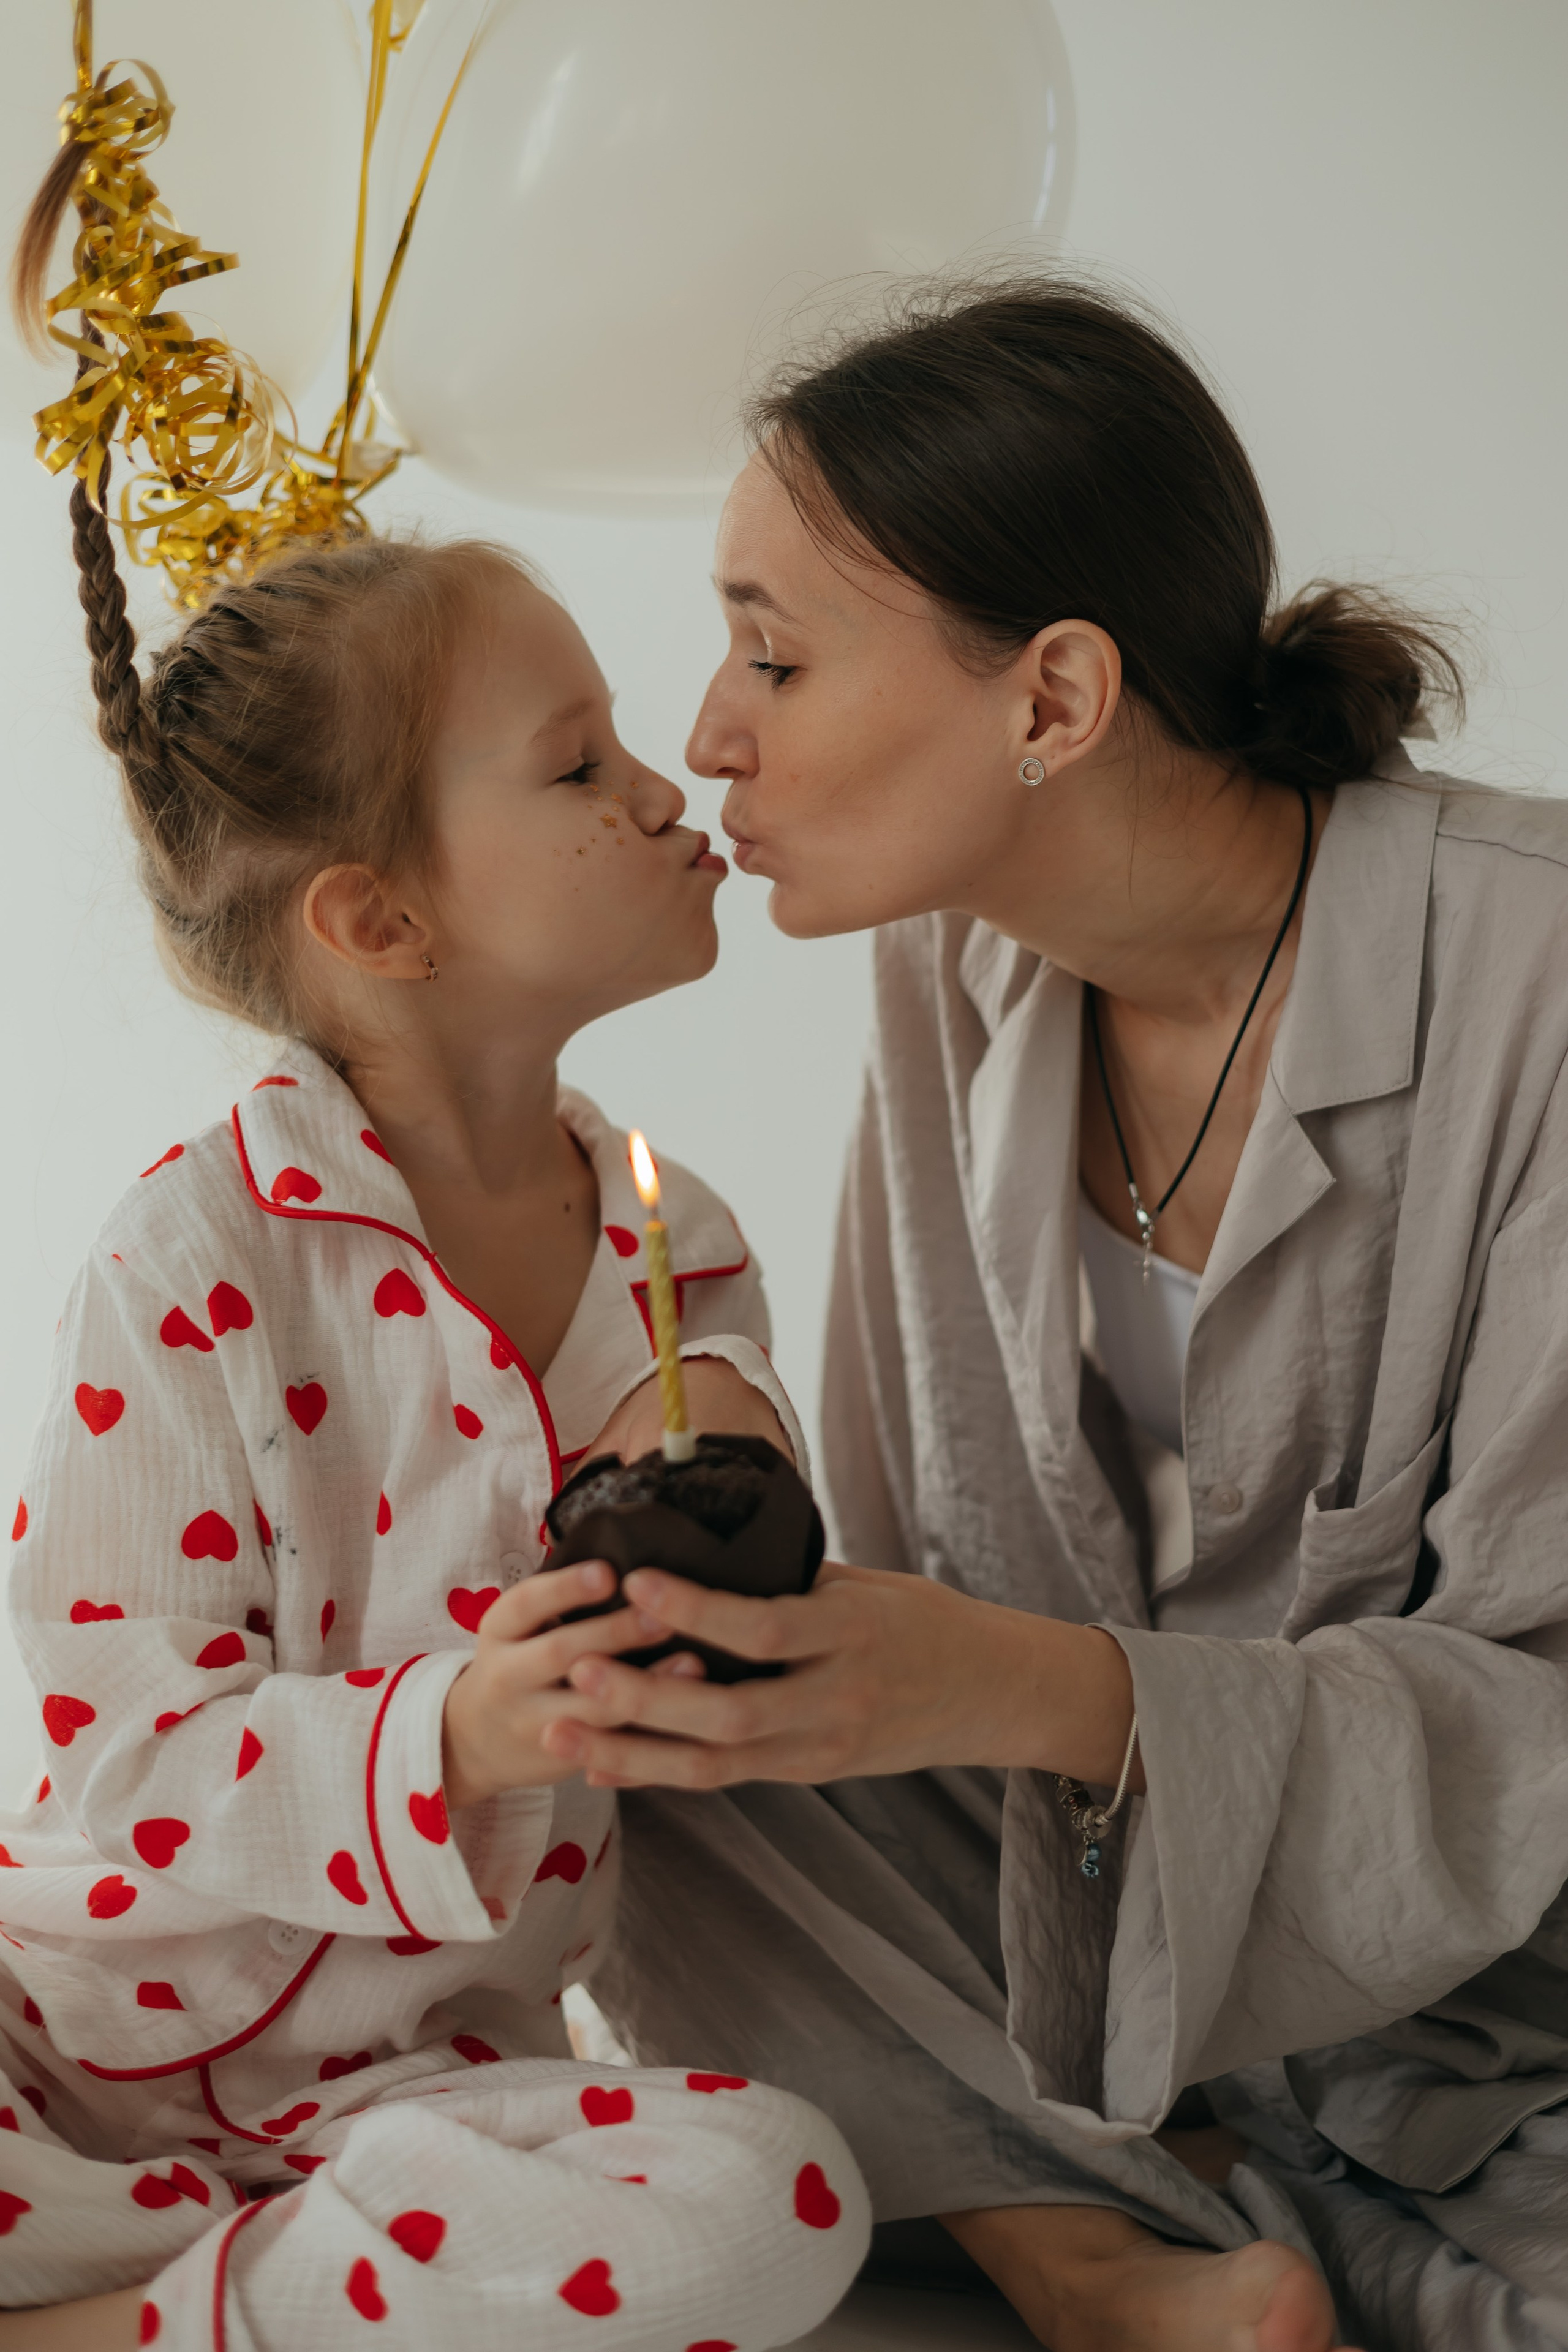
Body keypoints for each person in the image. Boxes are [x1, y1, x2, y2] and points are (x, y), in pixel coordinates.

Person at [545, 280, 1568, 2352]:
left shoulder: (1536, 976)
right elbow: (924, 1562)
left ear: (1057, 696)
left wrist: (1034, 1696)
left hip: (1498, 1947)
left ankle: (1164, 2180)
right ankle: (1100, 2250)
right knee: (629, 1727)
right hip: (1094, 1906)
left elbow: (1537, 1712)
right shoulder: (957, 967)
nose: (709, 734)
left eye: (774, 654)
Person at [0, 491, 869, 2345]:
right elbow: (125, 1757)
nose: (661, 791)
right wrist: (453, 1735)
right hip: (61, 2041)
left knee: (780, 2202)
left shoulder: (669, 1239)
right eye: (580, 766)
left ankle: (154, 2322)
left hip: (398, 2103)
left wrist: (739, 1507)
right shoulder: (190, 1260)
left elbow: (724, 1475)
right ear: (381, 917)